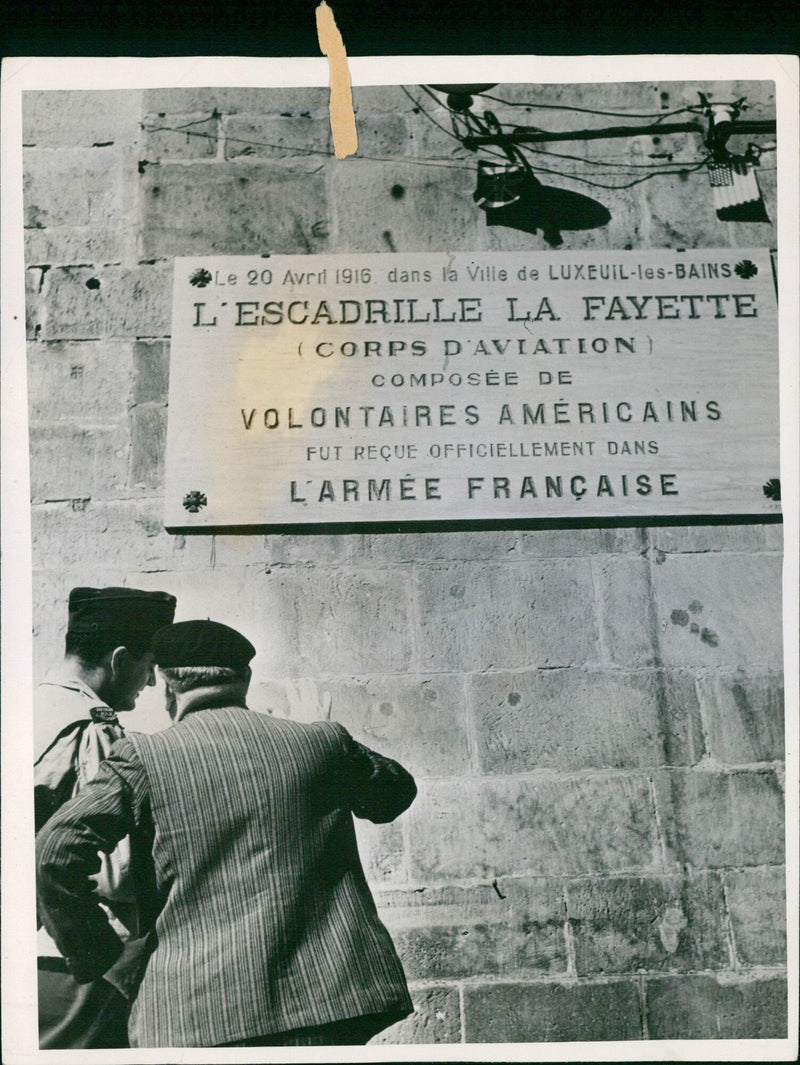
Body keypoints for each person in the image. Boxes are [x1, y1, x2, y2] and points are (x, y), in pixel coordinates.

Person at [36, 619, 417, 1048]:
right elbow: (394, 795)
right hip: (327, 1004)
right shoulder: (320, 743)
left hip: (197, 1013)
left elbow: (54, 852)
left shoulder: (143, 758)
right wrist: (320, 739)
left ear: (167, 687)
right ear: (245, 679)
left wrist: (99, 955)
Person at [34, 585, 177, 1049]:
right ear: (119, 660)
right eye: (148, 666)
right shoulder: (91, 729)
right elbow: (114, 871)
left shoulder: (29, 710)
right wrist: (118, 958)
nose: (152, 683)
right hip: (82, 961)